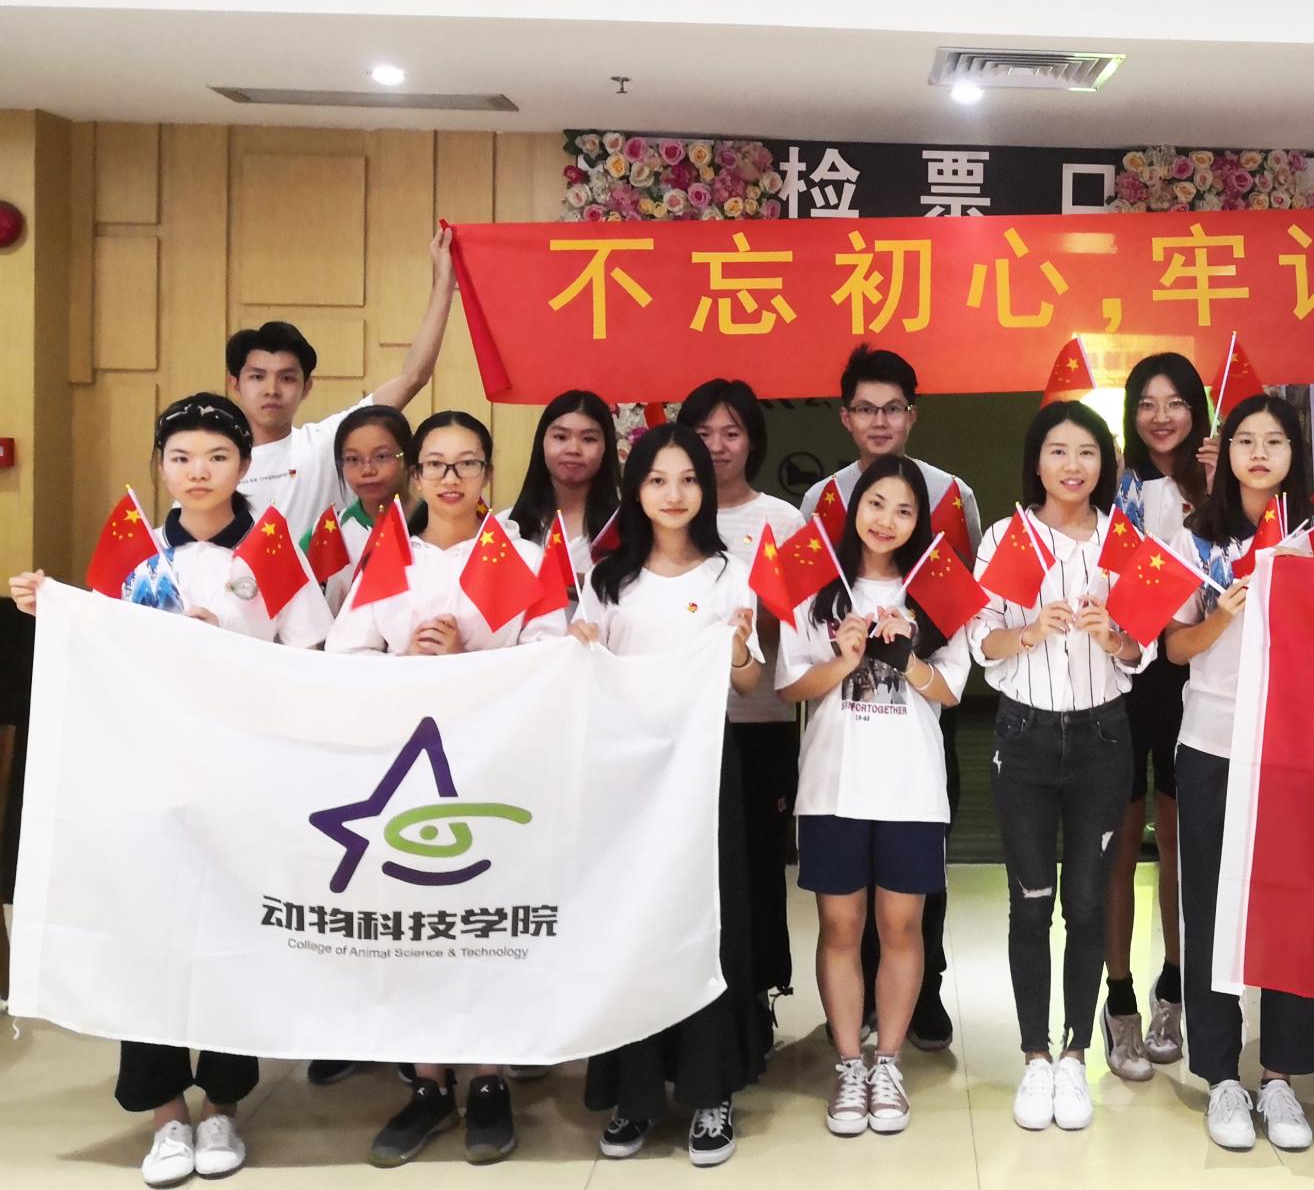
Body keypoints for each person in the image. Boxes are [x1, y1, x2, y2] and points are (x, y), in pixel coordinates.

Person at [10, 393, 331, 1188]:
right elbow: (94, 645)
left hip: (241, 776)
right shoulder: (136, 552)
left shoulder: (271, 549)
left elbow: (313, 660)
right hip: (146, 776)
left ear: (244, 465)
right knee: (147, 939)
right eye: (181, 457)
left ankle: (222, 1102)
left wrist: (224, 648)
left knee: (231, 933)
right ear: (161, 465)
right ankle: (164, 1113)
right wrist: (48, 605)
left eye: (217, 457)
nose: (198, 472)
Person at [326, 411, 570, 1168]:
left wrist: (469, 656)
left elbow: (551, 660)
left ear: (489, 473)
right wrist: (406, 663)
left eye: (467, 463)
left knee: (485, 921)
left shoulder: (519, 555)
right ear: (415, 474)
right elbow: (344, 655)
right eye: (435, 463)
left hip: (492, 766)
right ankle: (429, 1082)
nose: (451, 478)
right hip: (403, 772)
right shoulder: (389, 556)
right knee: (416, 923)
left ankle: (490, 1079)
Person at [571, 424, 768, 1166]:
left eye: (688, 479)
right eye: (658, 480)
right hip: (627, 775)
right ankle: (634, 1093)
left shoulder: (727, 573)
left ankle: (711, 1092)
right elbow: (585, 674)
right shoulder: (608, 580)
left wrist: (740, 649)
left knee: (707, 924)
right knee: (632, 924)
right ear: (636, 490)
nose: (674, 493)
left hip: (704, 767)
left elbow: (747, 681)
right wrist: (581, 652)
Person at [970, 403, 1152, 1131]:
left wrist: (1115, 639)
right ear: (1037, 462)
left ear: (1104, 463)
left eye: (1086, 452)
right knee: (1030, 902)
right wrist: (1026, 631)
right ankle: (1034, 1057)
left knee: (1088, 903)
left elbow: (1143, 649)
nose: (1073, 465)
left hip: (1104, 739)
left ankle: (1076, 1055)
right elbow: (981, 640)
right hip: (1024, 738)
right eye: (1058, 451)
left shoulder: (1124, 543)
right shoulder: (1006, 537)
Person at [778, 459, 970, 1138]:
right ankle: (849, 1063)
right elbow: (790, 686)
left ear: (920, 522)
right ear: (854, 507)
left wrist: (908, 657)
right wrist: (844, 658)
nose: (887, 520)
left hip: (911, 788)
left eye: (904, 510)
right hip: (832, 786)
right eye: (876, 503)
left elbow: (952, 690)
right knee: (839, 929)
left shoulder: (937, 589)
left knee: (902, 928)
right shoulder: (817, 585)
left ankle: (888, 1062)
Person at [799, 344, 981, 1051]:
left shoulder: (951, 493)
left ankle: (920, 997)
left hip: (918, 718)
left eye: (893, 408)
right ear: (846, 417)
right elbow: (801, 634)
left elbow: (959, 599)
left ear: (912, 414)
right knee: (843, 909)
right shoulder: (823, 500)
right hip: (840, 731)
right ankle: (856, 1017)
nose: (880, 421)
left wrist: (915, 658)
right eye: (866, 409)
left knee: (914, 880)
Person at [1163, 393, 1314, 1153]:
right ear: (1224, 454)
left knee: (1291, 910)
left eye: (1275, 441)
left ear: (1295, 454)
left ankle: (1281, 1076)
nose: (1259, 453)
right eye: (1245, 440)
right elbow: (1173, 648)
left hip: (1296, 750)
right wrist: (1221, 615)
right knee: (1209, 907)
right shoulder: (1195, 539)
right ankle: (1222, 1074)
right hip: (1211, 743)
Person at [678, 378, 806, 1045]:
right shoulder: (667, 512)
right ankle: (690, 1005)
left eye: (731, 433)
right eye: (703, 433)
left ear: (752, 440)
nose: (717, 446)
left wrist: (759, 626)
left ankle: (757, 996)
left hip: (757, 722)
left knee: (756, 865)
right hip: (678, 728)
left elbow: (807, 632)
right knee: (690, 869)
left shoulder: (782, 522)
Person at [1102, 352, 1209, 1082]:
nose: (1161, 417)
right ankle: (1118, 1002)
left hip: (1190, 673)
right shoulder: (1114, 485)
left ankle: (1174, 985)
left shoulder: (1218, 484)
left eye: (1175, 403)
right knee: (1117, 842)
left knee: (1177, 842)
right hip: (1118, 670)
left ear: (1196, 411)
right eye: (1147, 403)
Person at [226, 226, 457, 539]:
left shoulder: (327, 443)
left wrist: (445, 281)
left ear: (306, 387)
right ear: (235, 384)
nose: (271, 390)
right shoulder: (214, 464)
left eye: (287, 378)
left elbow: (413, 377)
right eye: (257, 376)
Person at [300, 406, 414, 617]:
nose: (367, 470)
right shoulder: (328, 531)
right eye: (353, 459)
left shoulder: (434, 524)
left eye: (382, 456)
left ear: (407, 458)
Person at [507, 389, 621, 579]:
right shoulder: (507, 527)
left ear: (606, 447)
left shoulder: (627, 528)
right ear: (541, 442)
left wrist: (587, 586)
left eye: (589, 439)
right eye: (560, 437)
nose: (573, 449)